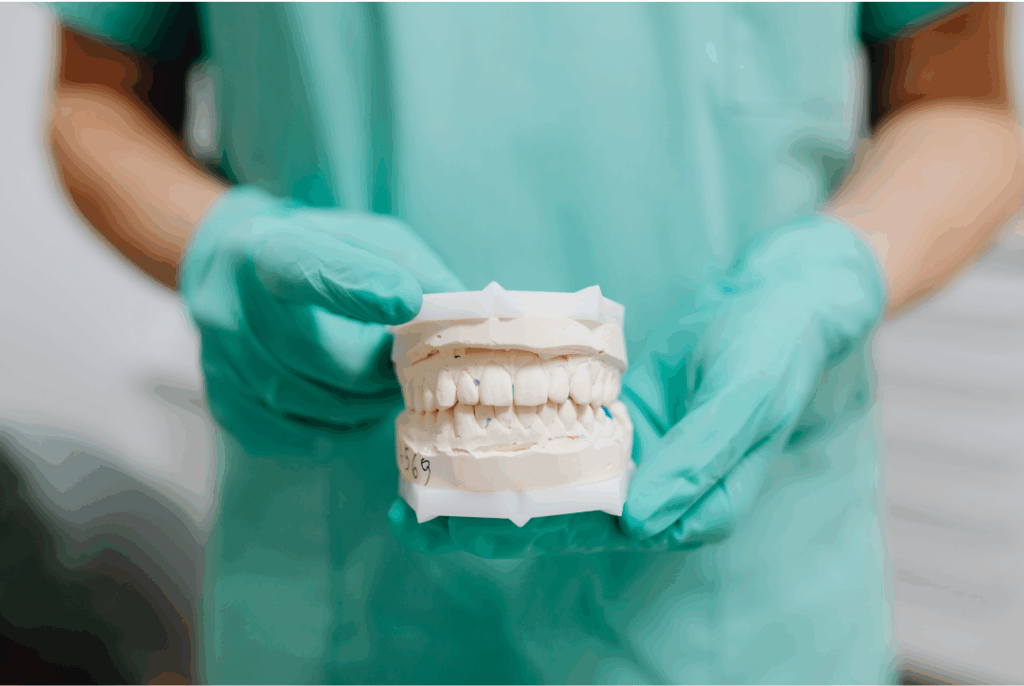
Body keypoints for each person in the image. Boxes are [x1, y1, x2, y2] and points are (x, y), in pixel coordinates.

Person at [47, 2, 1023, 683]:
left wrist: (827, 279)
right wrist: (224, 244)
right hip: (341, 600)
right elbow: (95, 93)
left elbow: (961, 96)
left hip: (747, 612)